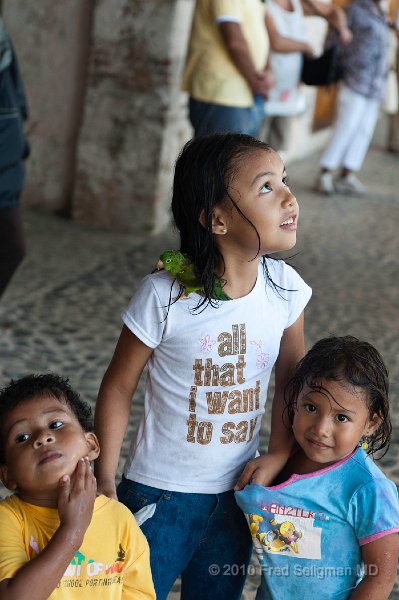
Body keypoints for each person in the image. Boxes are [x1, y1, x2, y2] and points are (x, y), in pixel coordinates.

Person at [94, 132, 312, 600]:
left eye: (285, 180)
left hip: (238, 494)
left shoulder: (286, 291)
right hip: (158, 492)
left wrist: (276, 453)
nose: (289, 197)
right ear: (216, 219)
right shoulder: (166, 295)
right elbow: (118, 387)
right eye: (266, 187)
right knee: (132, 593)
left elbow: (292, 382)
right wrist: (105, 477)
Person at [236, 335, 399, 599]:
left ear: (371, 423)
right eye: (311, 407)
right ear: (295, 400)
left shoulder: (369, 488)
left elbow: (381, 576)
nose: (321, 429)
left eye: (341, 417)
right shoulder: (281, 463)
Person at [0, 374, 155, 600]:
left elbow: (137, 594)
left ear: (90, 445)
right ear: (8, 476)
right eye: (22, 437)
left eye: (56, 424)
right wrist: (73, 529)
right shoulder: (9, 520)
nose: (43, 437)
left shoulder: (120, 519)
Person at [181, 0, 315, 138]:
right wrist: (255, 82)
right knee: (218, 156)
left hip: (245, 94)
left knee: (237, 155)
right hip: (222, 93)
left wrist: (268, 69)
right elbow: (234, 42)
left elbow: (263, 35)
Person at [316, 0, 390, 196]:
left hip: (375, 84)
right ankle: (325, 172)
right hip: (355, 79)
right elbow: (335, 39)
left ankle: (347, 174)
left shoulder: (381, 12)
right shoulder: (355, 10)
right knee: (346, 126)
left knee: (364, 130)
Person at [263, 0, 351, 154]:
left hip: (289, 89)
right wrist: (305, 46)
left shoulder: (297, 4)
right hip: (265, 87)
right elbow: (276, 42)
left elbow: (333, 11)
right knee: (253, 143)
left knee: (278, 146)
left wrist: (342, 29)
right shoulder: (264, 4)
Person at [0, 17, 29, 300]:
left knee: (12, 248)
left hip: (6, 174)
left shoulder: (3, 44)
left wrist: (20, 146)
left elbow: (17, 103)